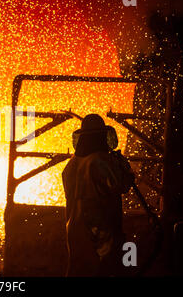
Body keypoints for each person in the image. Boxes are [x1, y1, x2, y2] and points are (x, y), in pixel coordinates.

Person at [62, 114, 134, 276]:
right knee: (108, 269)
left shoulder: (71, 165)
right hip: (100, 228)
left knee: (78, 269)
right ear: (101, 136)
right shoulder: (100, 161)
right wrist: (122, 165)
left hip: (73, 228)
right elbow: (123, 185)